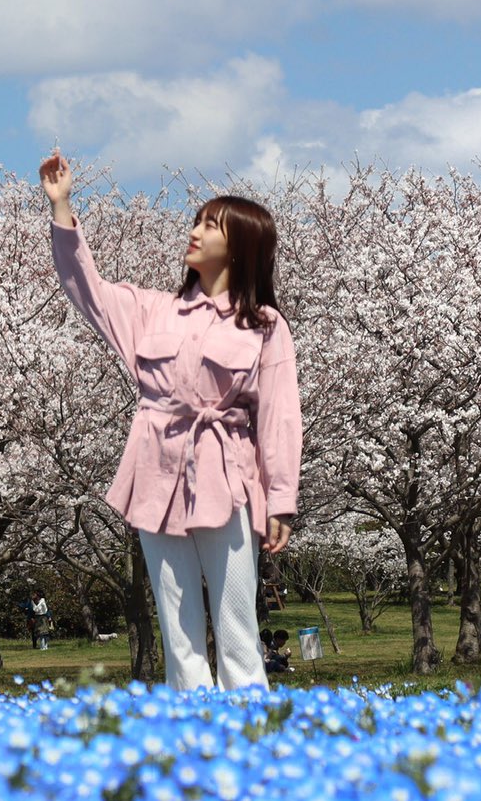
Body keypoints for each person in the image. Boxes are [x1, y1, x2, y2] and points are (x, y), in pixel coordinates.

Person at [40, 149, 303, 691]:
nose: (195, 232)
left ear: (243, 245)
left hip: (225, 477)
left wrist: (281, 499)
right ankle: (188, 741)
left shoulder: (264, 325)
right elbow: (85, 289)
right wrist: (63, 207)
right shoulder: (152, 309)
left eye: (211, 225)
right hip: (155, 474)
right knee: (176, 628)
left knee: (236, 623)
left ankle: (252, 735)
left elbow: (279, 417)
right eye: (198, 221)